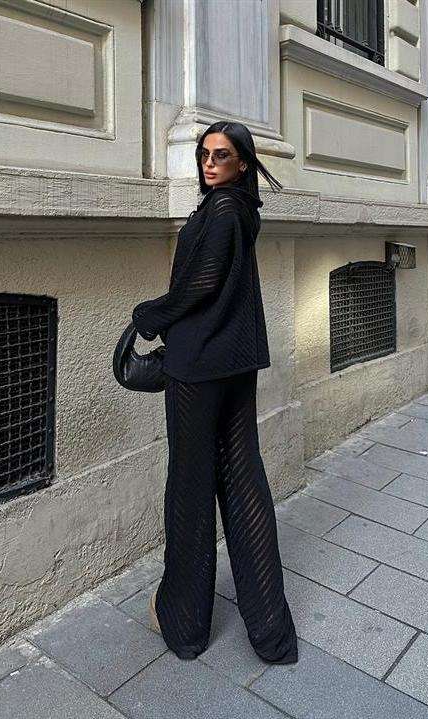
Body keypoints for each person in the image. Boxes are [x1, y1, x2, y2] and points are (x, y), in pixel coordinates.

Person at [131, 121, 298, 664]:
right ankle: (272, 635)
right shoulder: (243, 209)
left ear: (242, 163)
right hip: (236, 364)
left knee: (190, 488)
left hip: (199, 366)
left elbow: (200, 285)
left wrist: (150, 315)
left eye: (221, 155)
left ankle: (185, 626)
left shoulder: (222, 211)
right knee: (244, 481)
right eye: (204, 154)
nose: (208, 163)